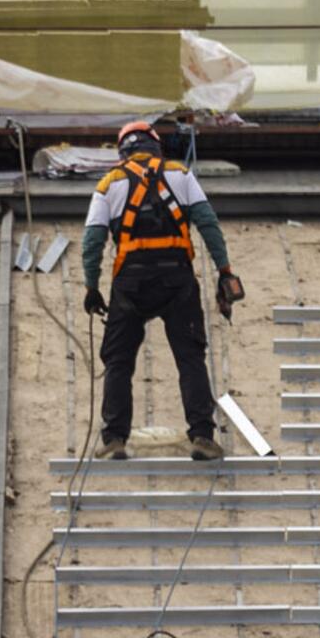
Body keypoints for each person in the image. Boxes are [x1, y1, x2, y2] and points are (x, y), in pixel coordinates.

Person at [81, 117, 244, 462]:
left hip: (130, 284)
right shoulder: (180, 175)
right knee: (190, 357)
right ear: (156, 146)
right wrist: (224, 270)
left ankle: (114, 440)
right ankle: (202, 437)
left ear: (123, 152)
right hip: (177, 281)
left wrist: (91, 287)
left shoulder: (109, 184)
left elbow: (92, 241)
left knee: (118, 361)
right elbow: (208, 224)